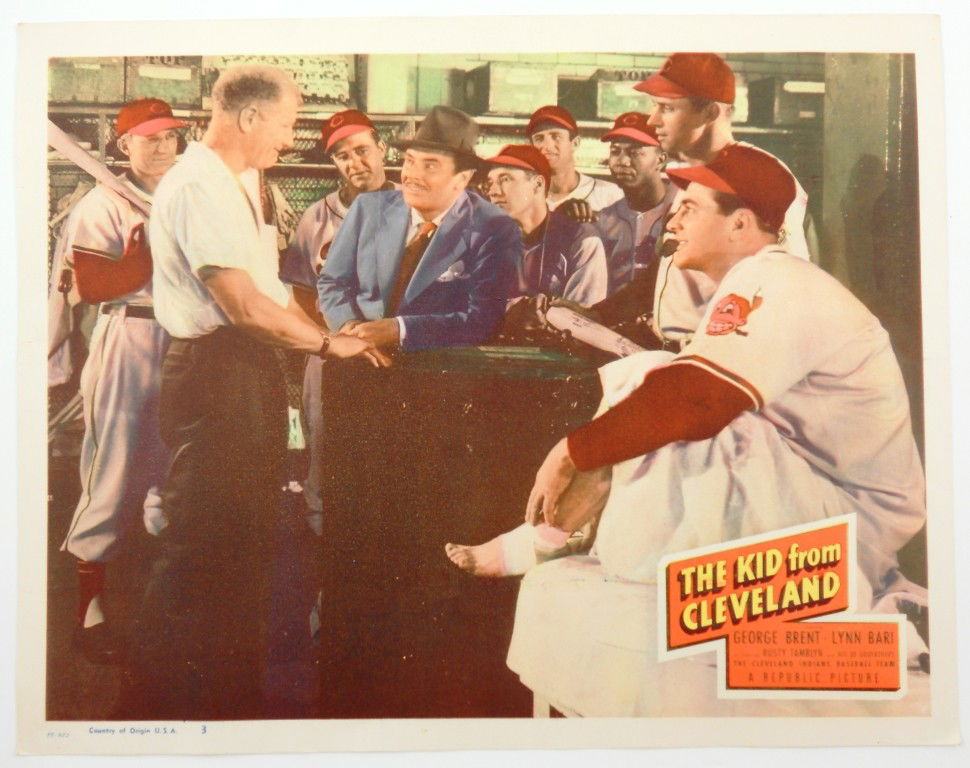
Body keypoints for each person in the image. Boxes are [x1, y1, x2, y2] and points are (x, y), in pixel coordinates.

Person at [447, 144, 925, 618]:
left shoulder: (779, 279)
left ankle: (554, 536)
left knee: (667, 399)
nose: (673, 221)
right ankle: (558, 534)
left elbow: (698, 400)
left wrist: (572, 452)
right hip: (819, 491)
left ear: (740, 224)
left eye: (690, 209)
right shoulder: (760, 277)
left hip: (853, 524)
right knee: (650, 378)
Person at [121, 65, 387, 719]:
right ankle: (161, 707)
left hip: (242, 370)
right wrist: (327, 345)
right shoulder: (198, 186)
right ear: (249, 117)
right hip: (215, 371)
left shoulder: (240, 180)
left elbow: (270, 290)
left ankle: (225, 699)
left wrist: (336, 327)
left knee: (241, 543)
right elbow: (242, 306)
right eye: (287, 124)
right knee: (202, 544)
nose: (290, 139)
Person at [54, 98, 185, 665]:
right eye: (147, 137)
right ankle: (88, 615)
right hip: (128, 334)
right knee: (110, 474)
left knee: (174, 473)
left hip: (185, 337)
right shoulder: (103, 201)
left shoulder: (184, 195)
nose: (160, 146)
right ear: (123, 144)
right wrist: (146, 259)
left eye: (169, 136)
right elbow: (94, 287)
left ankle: (161, 611)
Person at [634, 52, 814, 348]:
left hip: (723, 354)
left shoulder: (759, 174)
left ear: (709, 113)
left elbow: (786, 287)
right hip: (680, 351)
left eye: (667, 108)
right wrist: (598, 313)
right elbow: (667, 268)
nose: (652, 120)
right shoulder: (693, 177)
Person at [317, 105, 520, 351]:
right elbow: (332, 282)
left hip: (433, 366)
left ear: (463, 177)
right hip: (357, 357)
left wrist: (399, 330)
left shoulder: (493, 227)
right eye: (410, 161)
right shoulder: (367, 208)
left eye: (430, 165)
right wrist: (350, 328)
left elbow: (484, 321)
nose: (413, 175)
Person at [279, 109, 398, 528]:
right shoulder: (317, 216)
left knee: (392, 452)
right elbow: (299, 291)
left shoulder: (413, 205)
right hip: (332, 350)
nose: (355, 162)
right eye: (342, 156)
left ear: (382, 148)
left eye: (362, 150)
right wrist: (330, 339)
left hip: (395, 350)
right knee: (325, 449)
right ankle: (323, 546)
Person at [483, 143, 608, 312]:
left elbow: (582, 318)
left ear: (538, 184)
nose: (493, 191)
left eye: (505, 179)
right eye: (490, 182)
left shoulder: (581, 239)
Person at [527, 104, 623, 212]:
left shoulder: (611, 194)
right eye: (539, 138)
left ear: (575, 143)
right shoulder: (521, 197)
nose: (547, 146)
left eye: (556, 136)